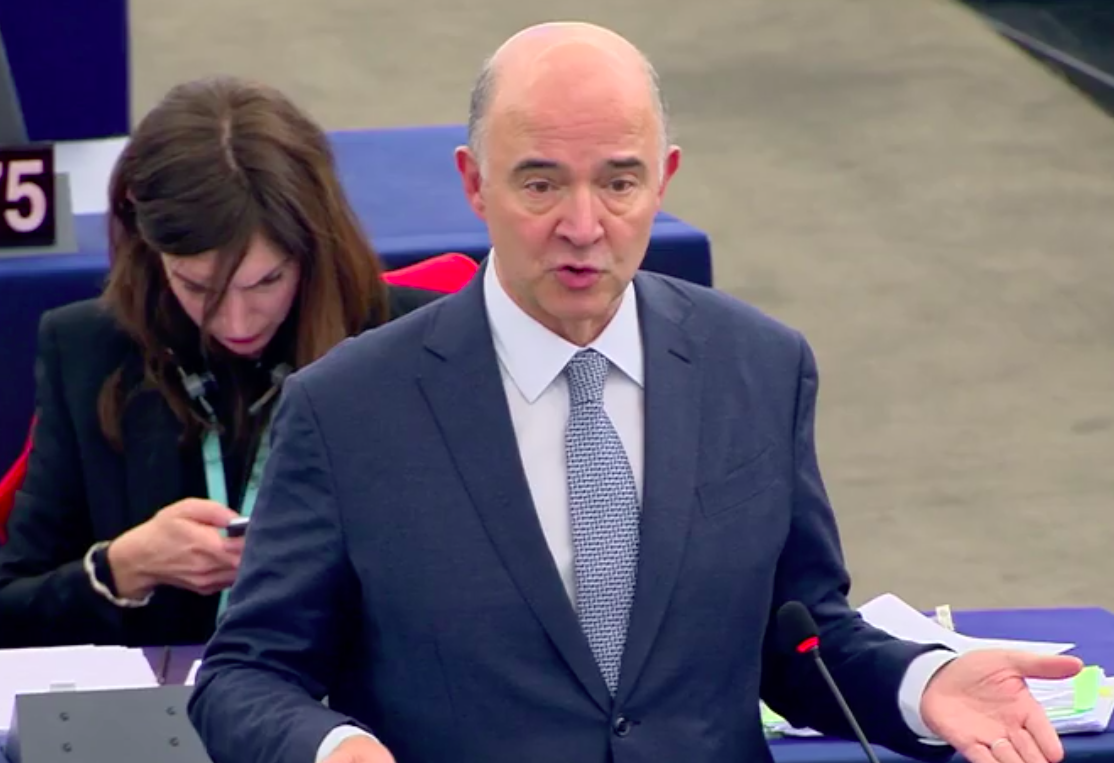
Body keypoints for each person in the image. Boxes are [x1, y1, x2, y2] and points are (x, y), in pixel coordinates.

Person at [187, 24, 1080, 763]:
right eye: (541, 182)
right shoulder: (349, 410)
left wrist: (920, 683)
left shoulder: (758, 369)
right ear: (472, 184)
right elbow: (245, 675)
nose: (583, 225)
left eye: (619, 181)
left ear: (665, 179)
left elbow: (797, 635)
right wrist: (334, 747)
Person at [0, 76, 441, 648]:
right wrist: (121, 569)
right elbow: (12, 609)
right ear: (146, 246)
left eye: (267, 281)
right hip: (151, 723)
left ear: (315, 248)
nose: (237, 322)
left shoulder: (409, 343)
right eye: (196, 285)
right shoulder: (86, 350)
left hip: (350, 717)